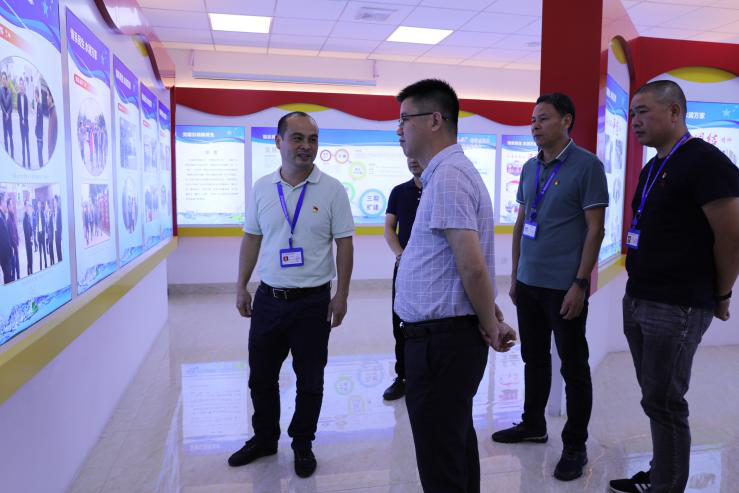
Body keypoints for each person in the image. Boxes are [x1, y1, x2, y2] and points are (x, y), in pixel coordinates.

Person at [609, 80, 739, 493]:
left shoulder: (706, 161)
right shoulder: (654, 167)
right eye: (632, 113)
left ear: (675, 112)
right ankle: (662, 472)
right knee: (655, 397)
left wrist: (722, 294)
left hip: (677, 304)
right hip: (640, 297)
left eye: (643, 111)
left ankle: (666, 485)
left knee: (665, 400)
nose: (634, 121)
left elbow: (732, 235)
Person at [394, 79, 516, 493]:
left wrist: (490, 324)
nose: (399, 130)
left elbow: (472, 265)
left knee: (441, 458)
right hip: (442, 339)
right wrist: (487, 315)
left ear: (434, 120)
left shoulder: (448, 176)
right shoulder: (446, 174)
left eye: (405, 119)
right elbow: (458, 266)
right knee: (453, 444)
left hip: (440, 345)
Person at [229, 111, 355, 479]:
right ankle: (265, 438)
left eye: (312, 139)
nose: (306, 146)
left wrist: (342, 295)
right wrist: (241, 285)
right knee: (261, 377)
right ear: (278, 142)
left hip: (313, 303)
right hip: (269, 300)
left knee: (310, 380)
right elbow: (252, 238)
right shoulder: (262, 188)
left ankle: (302, 443)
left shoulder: (332, 190)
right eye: (297, 138)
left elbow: (345, 245)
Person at [492, 92, 609, 482]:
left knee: (574, 367)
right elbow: (521, 222)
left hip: (564, 287)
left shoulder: (587, 166)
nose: (535, 126)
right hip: (529, 284)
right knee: (534, 358)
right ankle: (533, 424)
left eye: (543, 118)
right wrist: (515, 276)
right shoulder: (530, 167)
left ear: (566, 120)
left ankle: (575, 445)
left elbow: (595, 229)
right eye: (532, 119)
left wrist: (580, 283)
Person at [382, 157, 423, 401]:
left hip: (432, 271)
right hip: (405, 268)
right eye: (410, 158)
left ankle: (425, 377)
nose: (413, 161)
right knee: (400, 324)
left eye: (417, 157)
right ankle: (403, 377)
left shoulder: (438, 189)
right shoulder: (399, 191)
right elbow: (389, 227)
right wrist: (400, 255)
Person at [0, 193, 13, 284]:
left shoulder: (2, 216)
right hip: (5, 257)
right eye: (5, 201)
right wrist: (10, 252)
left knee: (8, 278)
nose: (6, 204)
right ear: (1, 203)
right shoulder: (0, 218)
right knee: (8, 279)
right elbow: (4, 240)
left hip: (5, 256)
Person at [17, 79, 30, 168]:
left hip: (26, 123)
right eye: (20, 84)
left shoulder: (25, 97)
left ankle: (28, 162)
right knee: (22, 143)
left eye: (22, 84)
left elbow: (26, 111)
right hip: (21, 124)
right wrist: (21, 119)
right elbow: (18, 109)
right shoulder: (18, 96)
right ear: (19, 86)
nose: (21, 86)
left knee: (27, 142)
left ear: (23, 86)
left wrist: (24, 120)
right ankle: (23, 161)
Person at [7, 196, 20, 280]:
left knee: (17, 270)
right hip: (13, 250)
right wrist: (14, 245)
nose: (12, 206)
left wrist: (17, 239)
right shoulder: (8, 220)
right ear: (8, 207)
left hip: (16, 248)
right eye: (11, 205)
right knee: (14, 270)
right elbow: (10, 236)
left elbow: (15, 231)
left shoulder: (12, 218)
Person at [1, 72, 13, 159]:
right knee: (5, 137)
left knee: (11, 136)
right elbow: (1, 104)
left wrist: (8, 113)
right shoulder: (0, 90)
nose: (4, 80)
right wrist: (5, 113)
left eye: (5, 78)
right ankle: (7, 155)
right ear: (1, 80)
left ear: (7, 80)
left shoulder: (10, 91)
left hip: (10, 118)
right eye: (3, 79)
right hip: (4, 118)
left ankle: (12, 154)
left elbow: (11, 105)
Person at [23, 201, 33, 275]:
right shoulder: (25, 219)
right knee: (29, 260)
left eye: (28, 206)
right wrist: (29, 240)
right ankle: (29, 274)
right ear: (24, 207)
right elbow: (26, 233)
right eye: (26, 206)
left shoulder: (28, 217)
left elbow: (30, 229)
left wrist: (31, 236)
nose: (28, 207)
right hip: (28, 243)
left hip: (30, 242)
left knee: (31, 259)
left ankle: (30, 272)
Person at [34, 88, 44, 167]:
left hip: (40, 134)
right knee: (39, 151)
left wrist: (38, 132)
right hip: (39, 133)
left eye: (35, 95)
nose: (35, 97)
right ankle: (41, 164)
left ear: (38, 96)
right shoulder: (38, 105)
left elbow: (40, 122)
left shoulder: (39, 106)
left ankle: (41, 165)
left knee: (40, 151)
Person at [55, 195, 62, 262]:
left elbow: (61, 222)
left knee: (59, 246)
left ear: (57, 202)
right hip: (55, 231)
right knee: (57, 246)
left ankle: (60, 259)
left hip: (59, 231)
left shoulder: (59, 210)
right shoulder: (54, 211)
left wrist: (61, 232)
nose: (54, 203)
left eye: (55, 201)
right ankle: (59, 259)